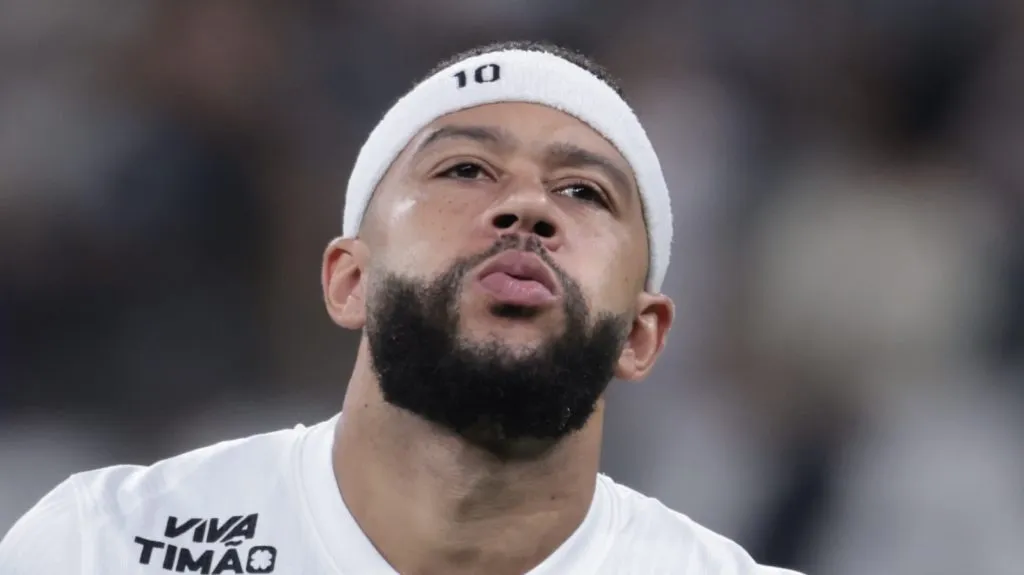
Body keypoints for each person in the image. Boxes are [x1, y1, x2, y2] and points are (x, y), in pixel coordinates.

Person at [0, 41, 802, 574]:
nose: (526, 207)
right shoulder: (104, 547)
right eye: (464, 170)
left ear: (641, 333)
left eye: (583, 190)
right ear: (350, 279)